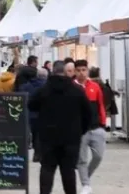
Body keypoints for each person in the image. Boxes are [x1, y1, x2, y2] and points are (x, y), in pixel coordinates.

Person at [29, 61, 92, 194]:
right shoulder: (77, 90)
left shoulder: (44, 90)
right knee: (68, 171)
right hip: (71, 139)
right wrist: (80, 130)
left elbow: (31, 105)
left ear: (52, 71)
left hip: (48, 137)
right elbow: (88, 114)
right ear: (65, 72)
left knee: (47, 169)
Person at [74, 60, 107, 194]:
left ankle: (85, 176)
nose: (81, 73)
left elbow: (100, 105)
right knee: (81, 159)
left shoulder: (94, 86)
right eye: (79, 70)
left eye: (84, 70)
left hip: (96, 127)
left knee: (98, 156)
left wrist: (103, 123)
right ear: (75, 71)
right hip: (80, 130)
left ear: (87, 71)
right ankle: (86, 184)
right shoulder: (72, 87)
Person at [15, 65, 44, 161]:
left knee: (34, 133)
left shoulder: (23, 87)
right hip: (42, 113)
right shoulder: (45, 85)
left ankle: (36, 153)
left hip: (29, 114)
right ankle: (40, 153)